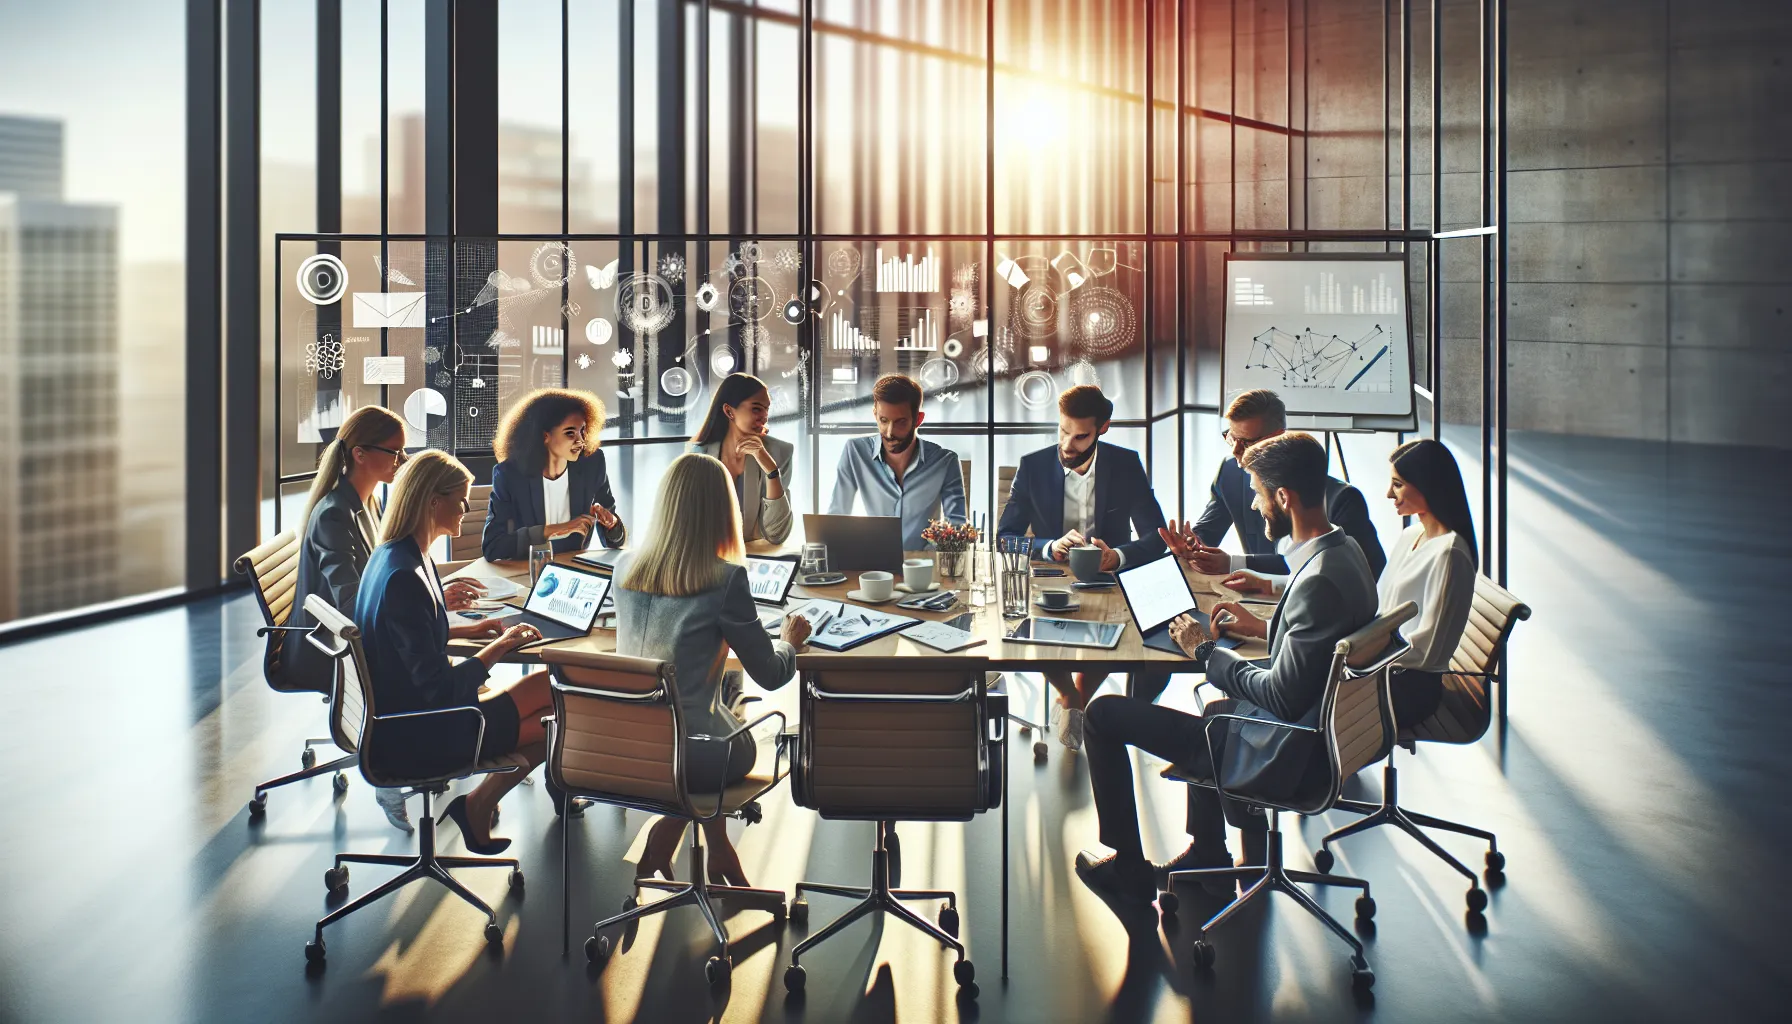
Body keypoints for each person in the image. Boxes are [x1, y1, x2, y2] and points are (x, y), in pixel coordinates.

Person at [1076, 432, 1378, 906]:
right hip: (1321, 732)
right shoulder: (1345, 553)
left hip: (1284, 749)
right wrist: (1263, 627)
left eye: (1258, 494)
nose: (1255, 506)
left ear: (1284, 497)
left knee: (1101, 715)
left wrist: (1204, 652)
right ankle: (1208, 855)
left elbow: (1281, 697)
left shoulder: (1317, 580)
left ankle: (1129, 871)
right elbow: (1319, 644)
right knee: (1216, 706)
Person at [282, 406, 494, 831]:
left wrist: (433, 594)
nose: (402, 460)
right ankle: (411, 756)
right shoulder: (335, 514)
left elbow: (382, 586)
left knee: (446, 665)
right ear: (360, 454)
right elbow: (353, 604)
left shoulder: (369, 501)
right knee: (442, 676)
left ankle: (450, 747)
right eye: (394, 452)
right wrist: (426, 603)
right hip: (330, 650)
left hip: (361, 637)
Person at [613, 453, 812, 886]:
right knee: (735, 733)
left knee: (716, 719)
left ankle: (702, 847)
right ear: (723, 510)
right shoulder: (725, 580)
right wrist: (789, 642)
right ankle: (699, 847)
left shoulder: (624, 566)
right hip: (695, 754)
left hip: (629, 746)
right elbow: (772, 675)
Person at [355, 450, 556, 856]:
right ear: (433, 502)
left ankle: (477, 806)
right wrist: (499, 646)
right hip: (425, 731)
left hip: (408, 714)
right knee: (556, 723)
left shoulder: (397, 554)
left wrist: (466, 630)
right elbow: (439, 688)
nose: (467, 508)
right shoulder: (405, 576)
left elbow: (408, 637)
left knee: (551, 690)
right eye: (461, 500)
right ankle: (479, 804)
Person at [1211, 438, 1476, 727]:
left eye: (1398, 485)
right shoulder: (1411, 536)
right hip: (1375, 668)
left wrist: (1347, 658)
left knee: (1258, 700)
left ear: (1428, 485)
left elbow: (1428, 650)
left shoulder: (1450, 553)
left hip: (1402, 685)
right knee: (1254, 693)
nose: (1389, 494)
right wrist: (1268, 616)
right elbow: (1374, 610)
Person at [997, 385, 1170, 750]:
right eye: (1063, 431)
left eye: (1080, 437)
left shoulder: (1125, 465)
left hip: (1107, 581)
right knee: (1037, 629)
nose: (1067, 445)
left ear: (1102, 429)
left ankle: (1077, 695)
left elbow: (1157, 538)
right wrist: (1048, 546)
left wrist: (1117, 556)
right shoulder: (1033, 466)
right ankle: (1069, 696)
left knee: (1113, 632)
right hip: (1050, 579)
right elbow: (1004, 538)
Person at [1169, 389, 1386, 580]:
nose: (1235, 451)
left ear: (1278, 438)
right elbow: (1207, 532)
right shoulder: (1230, 473)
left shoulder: (1342, 499)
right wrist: (1193, 547)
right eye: (1231, 438)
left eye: (1246, 443)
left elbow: (1364, 568)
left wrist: (1237, 564)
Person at [482, 388, 626, 561]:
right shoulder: (509, 475)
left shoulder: (592, 465)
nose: (580, 441)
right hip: (527, 569)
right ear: (545, 436)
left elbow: (614, 541)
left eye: (582, 431)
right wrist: (555, 529)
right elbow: (493, 546)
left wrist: (612, 524)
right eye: (570, 433)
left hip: (575, 567)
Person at [827, 373, 967, 550]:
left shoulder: (945, 462)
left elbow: (956, 528)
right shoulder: (855, 452)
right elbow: (837, 517)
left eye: (900, 422)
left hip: (925, 563)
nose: (889, 432)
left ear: (918, 420)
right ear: (875, 415)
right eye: (883, 420)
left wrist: (925, 556)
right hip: (874, 562)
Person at [687, 373, 794, 545]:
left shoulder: (780, 452)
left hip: (753, 556)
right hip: (707, 553)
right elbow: (689, 523)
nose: (765, 417)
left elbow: (777, 534)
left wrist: (772, 471)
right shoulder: (699, 453)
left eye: (767, 409)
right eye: (757, 409)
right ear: (729, 411)